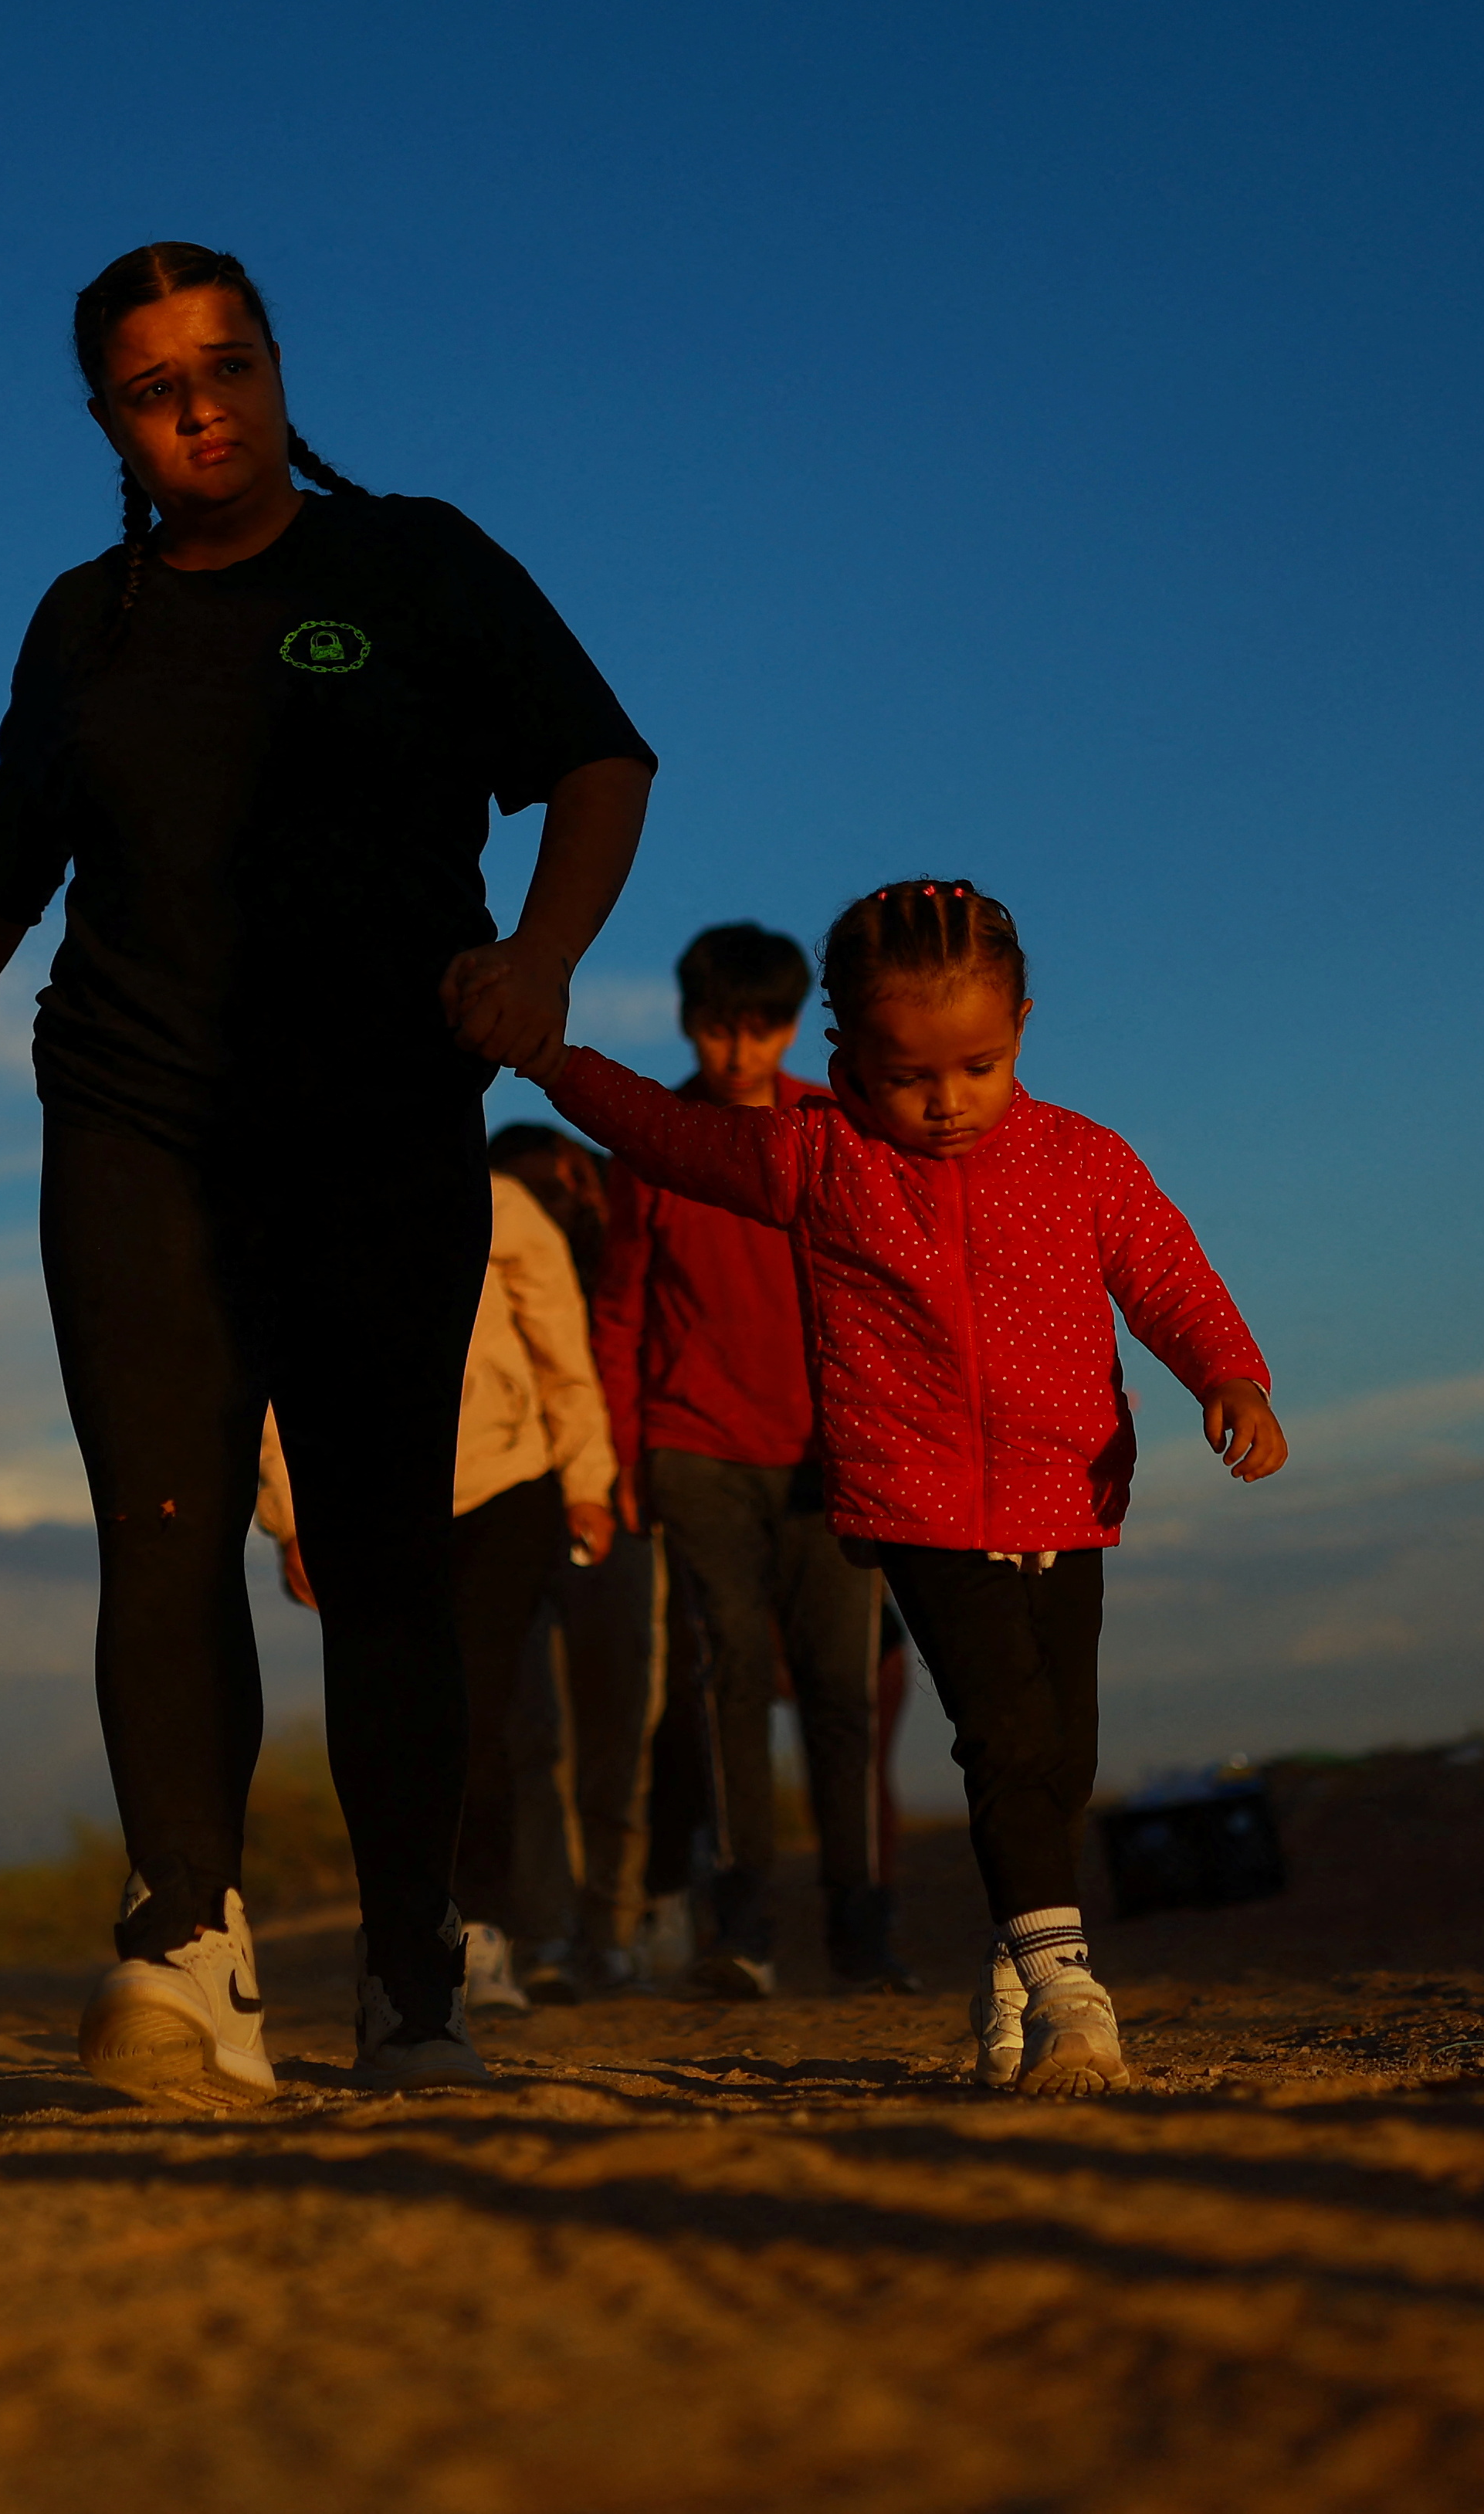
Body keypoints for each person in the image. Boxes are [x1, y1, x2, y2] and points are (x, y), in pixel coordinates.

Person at [0, 241, 654, 2099]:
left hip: (377, 1117)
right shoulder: (80, 621)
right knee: (163, 1523)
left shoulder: (415, 561)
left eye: (226, 363)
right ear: (106, 422)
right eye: (152, 385)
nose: (198, 403)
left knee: (378, 1551)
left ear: (278, 368)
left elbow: (597, 761)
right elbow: (2, 860)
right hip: (129, 1114)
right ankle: (183, 1934)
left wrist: (534, 965)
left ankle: (404, 1975)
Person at [523, 880, 1286, 2098]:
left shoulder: (1083, 1157)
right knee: (1003, 1734)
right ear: (842, 1061)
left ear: (1023, 1027)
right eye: (905, 1076)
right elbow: (668, 1138)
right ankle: (1069, 1993)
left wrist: (1230, 1376)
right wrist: (550, 1056)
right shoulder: (819, 1156)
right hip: (915, 1498)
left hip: (1066, 1495)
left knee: (1061, 1756)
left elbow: (1166, 1274)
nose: (943, 1102)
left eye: (976, 1065)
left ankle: (1008, 1960)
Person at [591, 923, 900, 1997]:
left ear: (787, 1026)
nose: (737, 1051)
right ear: (686, 1023)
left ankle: (862, 1931)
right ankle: (747, 1929)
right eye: (718, 1029)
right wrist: (622, 1456)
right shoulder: (654, 1140)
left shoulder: (835, 1122)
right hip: (696, 1447)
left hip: (835, 1452)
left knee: (842, 1690)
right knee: (725, 1680)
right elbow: (621, 1306)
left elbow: (887, 1284)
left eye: (759, 1028)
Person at [254, 1144, 617, 2015]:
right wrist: (289, 1513)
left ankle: (479, 1932)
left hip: (507, 1486)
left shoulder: (502, 1206)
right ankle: (402, 1936)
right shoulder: (298, 1204)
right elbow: (273, 1366)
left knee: (477, 1713)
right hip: (366, 1492)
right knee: (389, 1713)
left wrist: (588, 1480)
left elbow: (561, 1346)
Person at [483, 1121, 666, 2001]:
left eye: (563, 1184)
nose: (554, 1203)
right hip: (516, 1497)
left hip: (618, 1502)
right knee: (527, 1731)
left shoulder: (624, 1251)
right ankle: (545, 1932)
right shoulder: (494, 1256)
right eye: (529, 1190)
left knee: (620, 1719)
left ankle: (617, 1925)